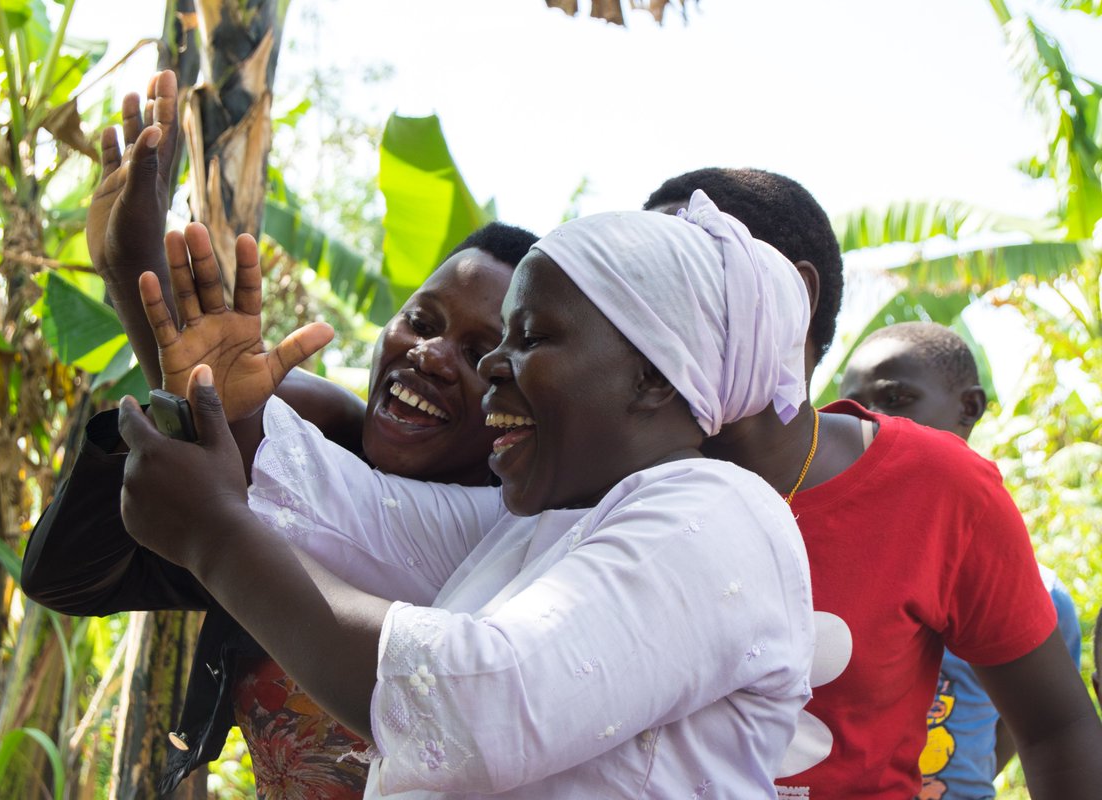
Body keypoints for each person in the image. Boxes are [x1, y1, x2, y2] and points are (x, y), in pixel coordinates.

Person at [115, 191, 817, 798]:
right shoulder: (529, 526)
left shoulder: (719, 513)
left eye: (531, 336)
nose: (490, 365)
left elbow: (481, 702)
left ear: (652, 379)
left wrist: (217, 540)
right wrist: (162, 316)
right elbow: (333, 505)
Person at [22, 71, 540, 797]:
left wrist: (137, 281)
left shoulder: (518, 544)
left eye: (480, 356)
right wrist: (147, 313)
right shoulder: (279, 501)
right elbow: (67, 577)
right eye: (422, 322)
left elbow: (298, 463)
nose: (429, 354)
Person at [643, 167, 1102, 799]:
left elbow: (1055, 729)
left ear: (789, 297)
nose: (639, 311)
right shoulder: (593, 479)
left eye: (680, 274)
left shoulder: (938, 488)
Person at [840, 321, 1083, 800]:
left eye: (894, 397)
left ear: (968, 407)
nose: (869, 419)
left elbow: (1036, 729)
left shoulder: (1043, 597)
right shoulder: (831, 569)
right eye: (852, 405)